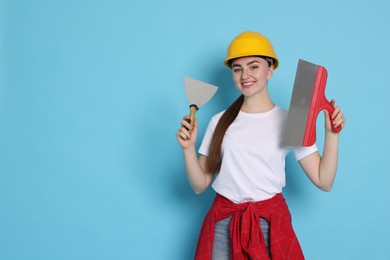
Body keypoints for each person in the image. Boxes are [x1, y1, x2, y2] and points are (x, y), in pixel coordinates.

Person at [176, 31, 345, 259]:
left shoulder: (292, 121)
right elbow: (199, 185)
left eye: (253, 66)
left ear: (270, 70)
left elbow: (324, 181)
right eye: (237, 69)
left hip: (269, 223)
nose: (245, 75)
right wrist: (188, 149)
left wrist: (331, 134)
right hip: (223, 222)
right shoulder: (219, 121)